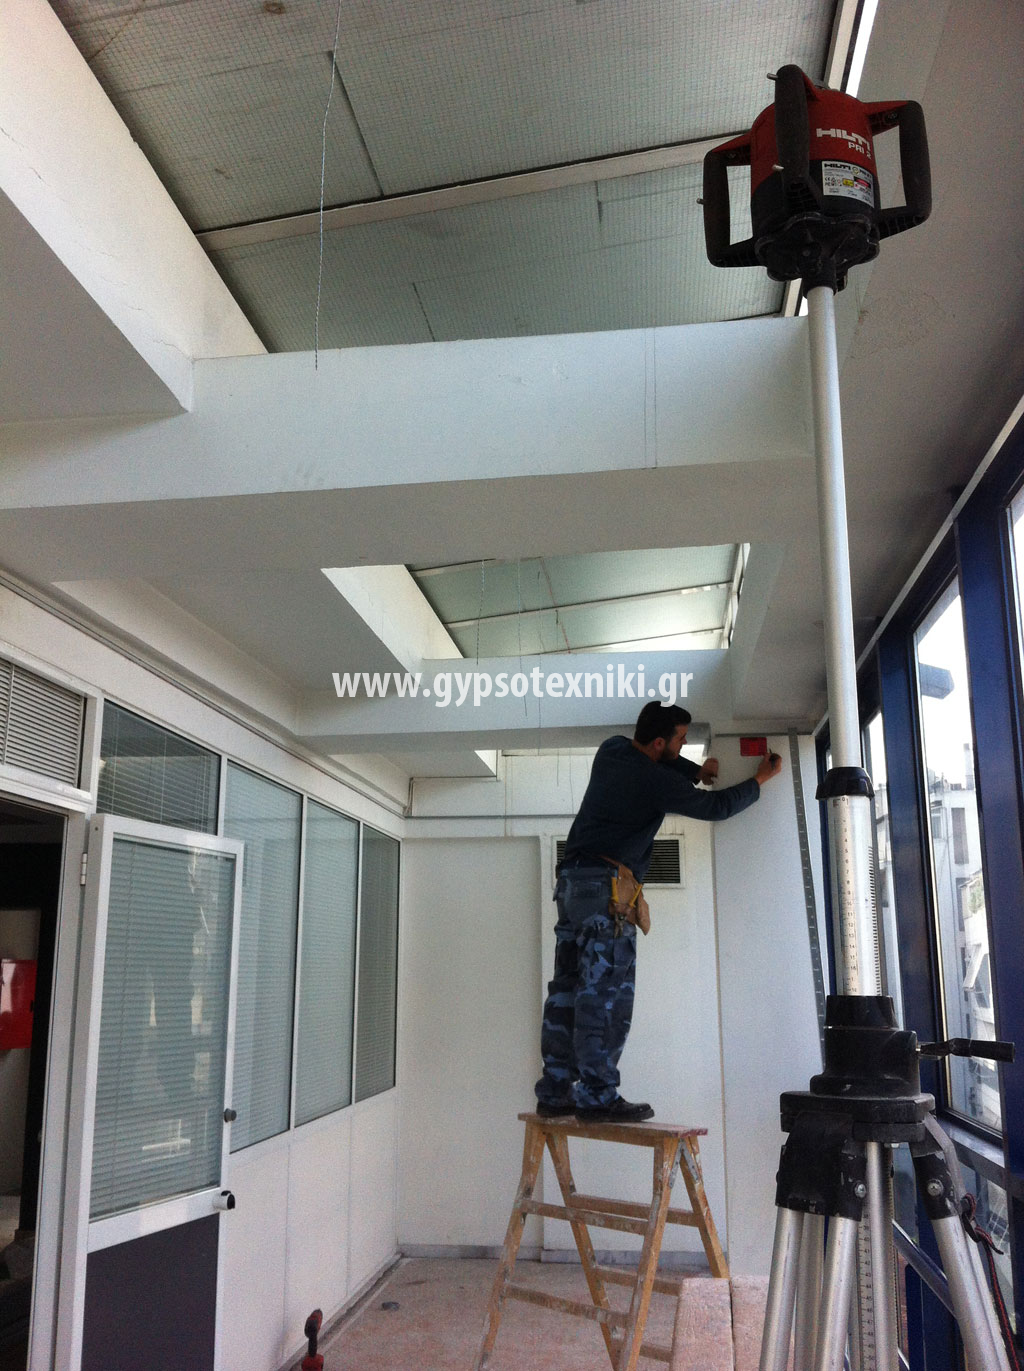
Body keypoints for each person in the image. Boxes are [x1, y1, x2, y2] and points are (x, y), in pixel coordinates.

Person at [534, 701, 782, 1123]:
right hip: (607, 892)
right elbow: (716, 808)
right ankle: (598, 1097)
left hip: (572, 885)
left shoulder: (612, 749)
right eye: (680, 740)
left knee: (566, 992)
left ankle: (556, 1091)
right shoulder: (655, 781)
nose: (684, 745)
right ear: (659, 742)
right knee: (604, 996)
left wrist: (695, 770)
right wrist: (760, 778)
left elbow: (662, 766)